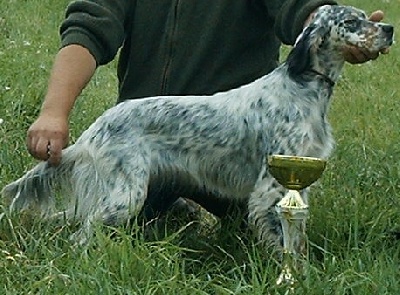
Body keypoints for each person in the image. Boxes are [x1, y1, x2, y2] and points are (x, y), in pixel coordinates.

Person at [25, 1, 389, 218]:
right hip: (146, 137)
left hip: (236, 140)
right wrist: (54, 112)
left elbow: (299, 7)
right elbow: (89, 25)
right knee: (119, 216)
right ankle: (166, 206)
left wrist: (335, 30)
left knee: (259, 218)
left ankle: (203, 211)